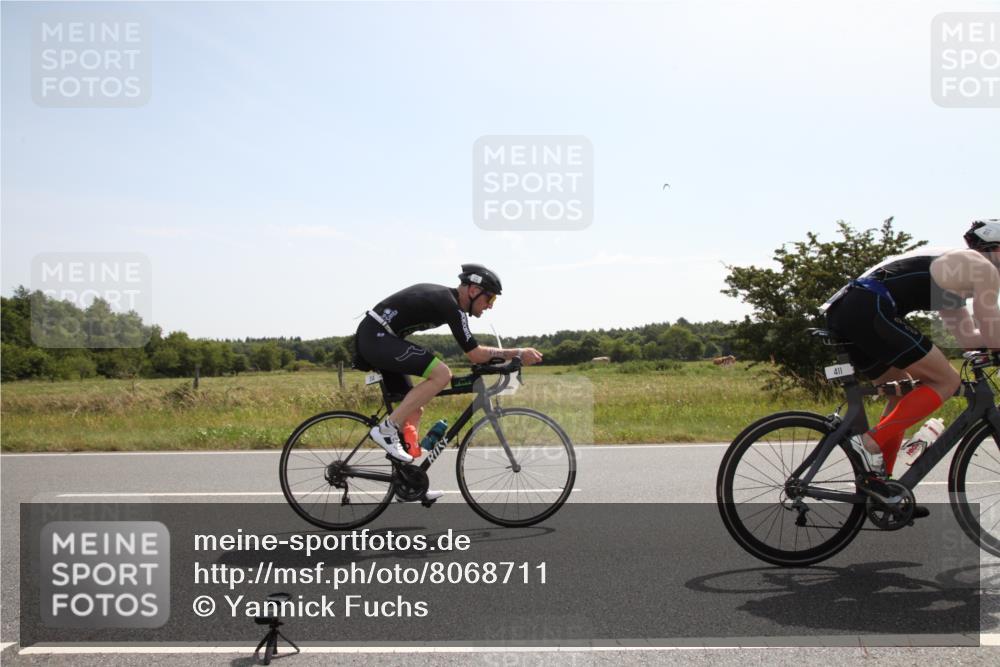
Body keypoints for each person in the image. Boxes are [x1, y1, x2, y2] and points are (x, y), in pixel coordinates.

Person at [822, 220, 1000, 509]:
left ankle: (882, 488)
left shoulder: (954, 272)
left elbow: (968, 337)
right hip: (870, 306)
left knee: (901, 390)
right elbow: (991, 327)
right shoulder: (984, 268)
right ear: (994, 249)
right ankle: (867, 445)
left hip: (848, 311)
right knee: (946, 381)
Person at [354, 264, 543, 502]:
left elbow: (476, 352)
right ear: (474, 290)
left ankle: (408, 483)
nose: (490, 306)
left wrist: (504, 359)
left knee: (414, 409)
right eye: (490, 298)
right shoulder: (451, 305)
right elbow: (474, 354)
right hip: (376, 337)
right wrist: (517, 352)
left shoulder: (450, 304)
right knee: (442, 374)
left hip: (380, 338)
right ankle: (386, 429)